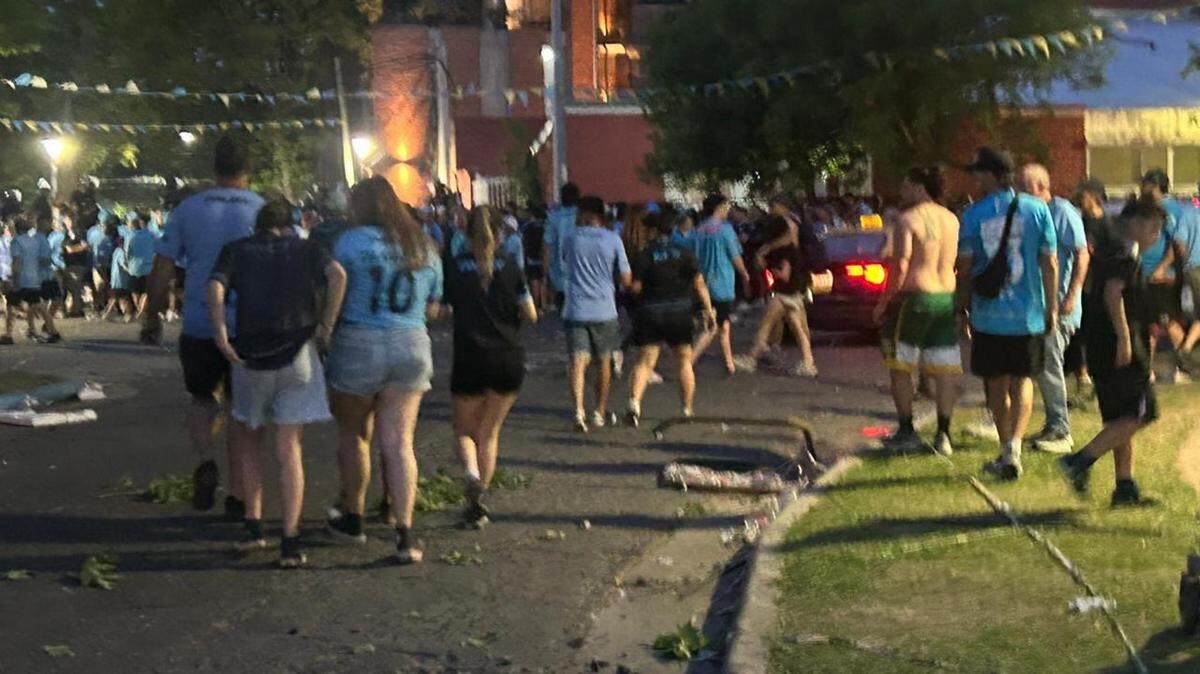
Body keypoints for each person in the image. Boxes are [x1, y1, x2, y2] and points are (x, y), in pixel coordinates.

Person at [208, 198, 347, 567]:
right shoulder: (307, 249)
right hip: (298, 353)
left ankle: (254, 527)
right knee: (289, 449)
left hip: (250, 355)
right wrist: (326, 326)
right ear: (289, 226)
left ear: (258, 226)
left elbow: (216, 287)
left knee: (250, 441)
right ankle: (291, 540)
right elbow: (338, 275)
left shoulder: (236, 250)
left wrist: (222, 335)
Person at [142, 136, 265, 517]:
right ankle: (240, 493)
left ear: (215, 168)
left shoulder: (189, 209)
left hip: (199, 322)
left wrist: (152, 315)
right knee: (241, 409)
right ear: (248, 170)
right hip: (248, 324)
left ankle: (204, 460)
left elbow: (163, 267)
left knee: (201, 400)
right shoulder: (262, 209)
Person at [324, 176, 442, 565]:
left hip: (359, 342)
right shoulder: (423, 244)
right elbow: (433, 310)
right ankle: (405, 532)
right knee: (399, 442)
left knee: (355, 435)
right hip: (410, 343)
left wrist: (325, 331)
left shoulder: (349, 243)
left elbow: (334, 292)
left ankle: (353, 516)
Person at [955, 146, 1058, 481]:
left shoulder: (973, 215)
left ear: (992, 176)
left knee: (996, 385)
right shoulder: (1038, 210)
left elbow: (966, 268)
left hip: (989, 315)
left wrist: (962, 308)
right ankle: (1015, 444)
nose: (975, 180)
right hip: (1028, 314)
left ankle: (1005, 449)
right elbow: (1050, 263)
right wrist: (1051, 307)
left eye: (978, 174)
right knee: (1023, 380)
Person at [1058, 197, 1164, 507]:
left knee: (1119, 417)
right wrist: (1125, 339)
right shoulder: (1124, 254)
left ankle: (1124, 487)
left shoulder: (1107, 250)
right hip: (1120, 345)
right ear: (1136, 224)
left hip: (1099, 345)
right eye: (1154, 228)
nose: (1156, 236)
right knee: (1142, 413)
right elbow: (1113, 293)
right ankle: (1079, 461)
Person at [444, 206, 538, 529]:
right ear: (500, 235)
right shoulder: (511, 266)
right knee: (490, 432)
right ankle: (480, 502)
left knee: (464, 430)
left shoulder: (456, 267)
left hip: (470, 355)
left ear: (466, 234)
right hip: (508, 356)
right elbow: (532, 313)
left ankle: (470, 475)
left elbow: (443, 309)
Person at [871, 167, 961, 456]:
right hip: (945, 297)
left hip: (916, 299)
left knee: (900, 367)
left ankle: (907, 430)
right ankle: (943, 434)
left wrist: (884, 302)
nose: (902, 192)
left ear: (920, 188)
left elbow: (901, 267)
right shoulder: (951, 219)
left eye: (906, 186)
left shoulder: (906, 220)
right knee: (944, 368)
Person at [1019, 164, 1090, 454]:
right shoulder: (1031, 215)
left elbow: (1082, 254)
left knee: (1050, 364)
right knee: (1042, 366)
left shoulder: (1062, 212)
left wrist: (1071, 296)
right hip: (1040, 306)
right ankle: (1052, 424)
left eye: (1021, 186)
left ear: (1038, 186)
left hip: (1060, 307)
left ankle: (1061, 429)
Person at [625, 208, 716, 428]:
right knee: (684, 362)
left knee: (645, 361)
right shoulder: (684, 253)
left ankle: (634, 404)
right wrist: (708, 309)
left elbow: (635, 288)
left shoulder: (644, 255)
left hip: (651, 312)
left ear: (654, 231)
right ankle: (686, 409)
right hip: (679, 312)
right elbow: (699, 284)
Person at [561, 195, 632, 432]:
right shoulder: (613, 239)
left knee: (577, 362)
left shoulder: (570, 238)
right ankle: (599, 412)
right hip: (604, 309)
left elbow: (563, 261)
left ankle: (578, 412)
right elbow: (625, 277)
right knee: (603, 362)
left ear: (583, 214)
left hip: (575, 308)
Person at [733, 215, 818, 376]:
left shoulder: (784, 252)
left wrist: (772, 271)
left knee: (765, 326)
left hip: (782, 294)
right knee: (798, 330)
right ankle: (809, 363)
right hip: (794, 294)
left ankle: (751, 358)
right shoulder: (794, 247)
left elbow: (784, 274)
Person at [691, 194, 750, 375]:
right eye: (726, 206)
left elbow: (695, 256)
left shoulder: (700, 230)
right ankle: (688, 361)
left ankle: (729, 362)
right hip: (723, 283)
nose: (728, 210)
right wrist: (745, 274)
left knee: (723, 323)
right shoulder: (725, 230)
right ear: (720, 207)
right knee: (713, 326)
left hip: (705, 281)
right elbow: (735, 255)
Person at [1138, 169, 1185, 380]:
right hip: (1145, 274)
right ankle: (1147, 371)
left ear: (1156, 185)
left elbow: (1177, 244)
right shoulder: (1149, 209)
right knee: (1149, 324)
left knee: (1167, 321)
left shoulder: (1169, 209)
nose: (1142, 188)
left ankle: (1181, 367)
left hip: (1160, 277)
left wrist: (1161, 268)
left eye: (1146, 184)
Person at [6, 216, 61, 343]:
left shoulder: (16, 242)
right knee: (39, 305)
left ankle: (8, 335)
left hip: (22, 278)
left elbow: (17, 262)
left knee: (11, 305)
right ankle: (53, 331)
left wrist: (14, 278)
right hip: (34, 278)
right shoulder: (34, 241)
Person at [543, 183, 580, 311]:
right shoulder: (583, 218)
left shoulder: (553, 218)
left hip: (559, 277)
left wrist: (546, 271)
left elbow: (547, 245)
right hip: (582, 277)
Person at [60, 209, 91, 318]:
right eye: (68, 219)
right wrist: (77, 248)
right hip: (67, 264)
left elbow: (85, 246)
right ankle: (71, 309)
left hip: (78, 264)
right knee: (69, 288)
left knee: (76, 288)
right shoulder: (64, 234)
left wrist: (73, 249)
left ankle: (77, 310)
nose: (70, 221)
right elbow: (69, 248)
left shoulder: (79, 232)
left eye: (71, 218)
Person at [125, 213, 157, 318]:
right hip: (148, 267)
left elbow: (127, 254)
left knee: (134, 290)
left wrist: (127, 263)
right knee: (146, 291)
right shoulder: (151, 235)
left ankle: (139, 308)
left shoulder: (130, 237)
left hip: (134, 268)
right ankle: (141, 310)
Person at [103, 228, 135, 322]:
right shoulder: (121, 252)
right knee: (121, 298)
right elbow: (124, 265)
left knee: (117, 298)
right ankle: (126, 315)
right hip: (120, 281)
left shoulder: (117, 251)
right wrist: (132, 272)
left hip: (117, 280)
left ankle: (108, 314)